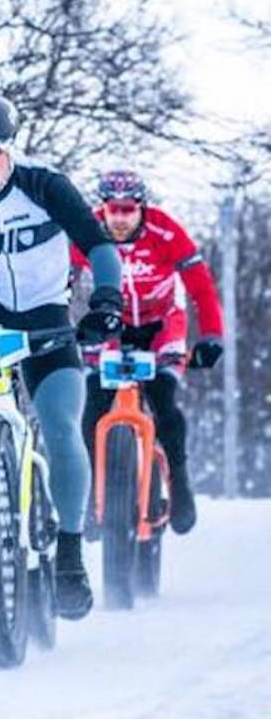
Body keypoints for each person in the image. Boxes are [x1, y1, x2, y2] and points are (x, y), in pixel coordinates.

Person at [0, 94, 123, 620]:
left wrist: (106, 298)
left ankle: (71, 553)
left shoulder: (44, 184)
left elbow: (99, 245)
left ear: (8, 147)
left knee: (61, 424)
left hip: (44, 311)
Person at [72, 169, 225, 535]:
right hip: (112, 325)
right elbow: (62, 279)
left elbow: (201, 288)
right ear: (103, 208)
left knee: (164, 401)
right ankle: (93, 491)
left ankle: (181, 482)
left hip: (161, 325)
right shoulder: (87, 232)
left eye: (128, 210)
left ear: (141, 208)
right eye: (113, 209)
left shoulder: (166, 231)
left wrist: (212, 337)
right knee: (94, 403)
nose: (120, 218)